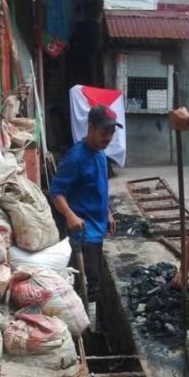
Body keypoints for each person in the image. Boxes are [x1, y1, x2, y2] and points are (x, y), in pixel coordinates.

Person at [50, 105, 120, 312]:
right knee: (89, 285)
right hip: (83, 233)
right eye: (104, 132)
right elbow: (56, 192)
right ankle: (86, 324)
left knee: (94, 281)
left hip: (97, 230)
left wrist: (107, 212)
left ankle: (92, 320)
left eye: (111, 133)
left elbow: (99, 187)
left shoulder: (100, 154)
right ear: (90, 127)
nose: (108, 138)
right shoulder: (76, 158)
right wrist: (70, 215)